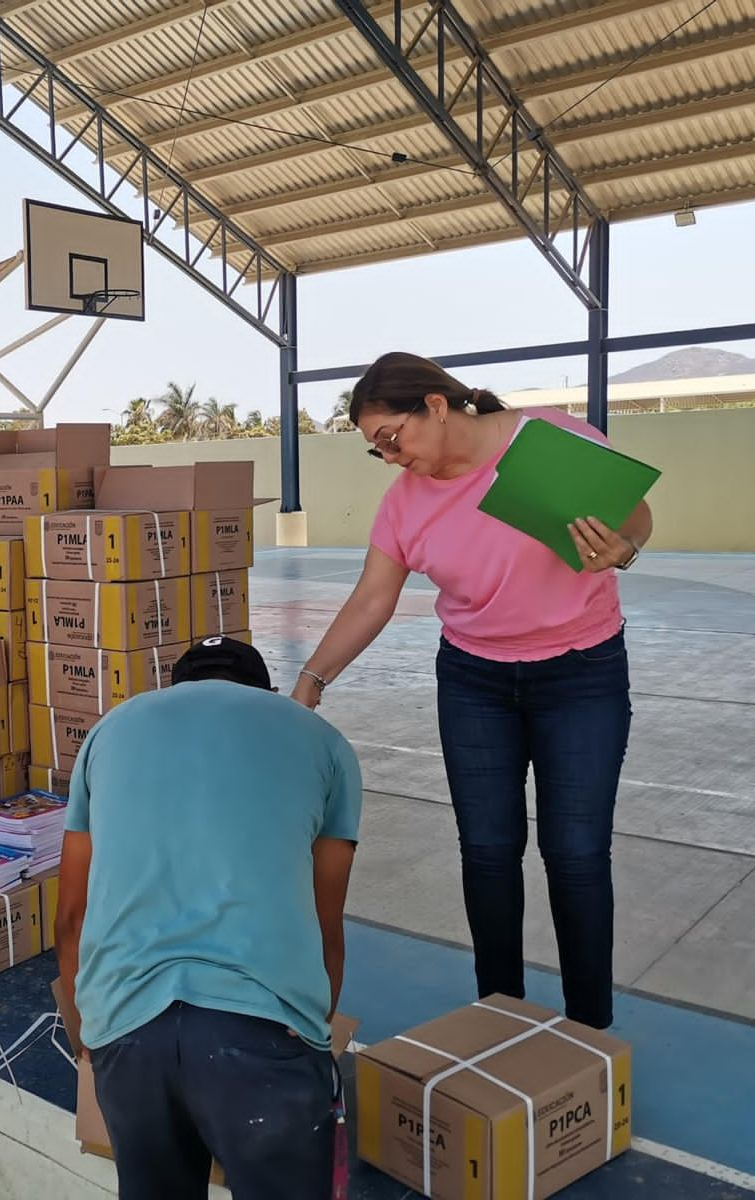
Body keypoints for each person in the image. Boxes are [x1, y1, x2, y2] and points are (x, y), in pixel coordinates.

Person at [291, 351, 652, 1031]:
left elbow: (637, 516)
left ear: (434, 404)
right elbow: (373, 599)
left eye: (393, 440)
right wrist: (310, 682)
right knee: (487, 850)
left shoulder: (549, 441)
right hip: (475, 681)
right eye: (378, 453)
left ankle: (589, 1034)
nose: (392, 459)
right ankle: (501, 1017)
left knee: (575, 852)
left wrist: (622, 546)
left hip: (582, 672)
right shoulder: (404, 505)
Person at [55, 635, 361, 1200]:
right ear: (264, 692)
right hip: (263, 1035)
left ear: (176, 690)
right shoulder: (321, 740)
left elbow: (71, 919)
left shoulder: (112, 731)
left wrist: (90, 1041)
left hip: (127, 1030)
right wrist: (311, 1040)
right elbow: (325, 925)